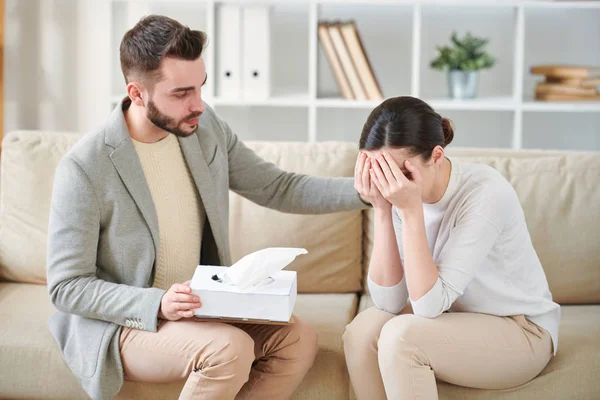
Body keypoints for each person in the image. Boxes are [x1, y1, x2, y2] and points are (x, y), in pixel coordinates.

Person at [46, 15, 369, 400]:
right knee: (229, 350)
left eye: (201, 87)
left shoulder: (202, 127)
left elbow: (277, 187)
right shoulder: (85, 167)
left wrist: (368, 191)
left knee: (297, 339)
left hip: (201, 305)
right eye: (181, 93)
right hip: (127, 319)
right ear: (137, 93)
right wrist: (158, 302)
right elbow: (67, 287)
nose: (198, 104)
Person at [344, 96, 560, 400]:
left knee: (401, 337)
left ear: (436, 155)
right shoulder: (395, 193)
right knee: (362, 330)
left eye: (400, 174)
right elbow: (389, 302)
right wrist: (381, 208)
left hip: (520, 330)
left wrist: (409, 212)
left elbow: (429, 306)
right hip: (453, 319)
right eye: (380, 172)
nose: (391, 185)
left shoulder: (485, 193)